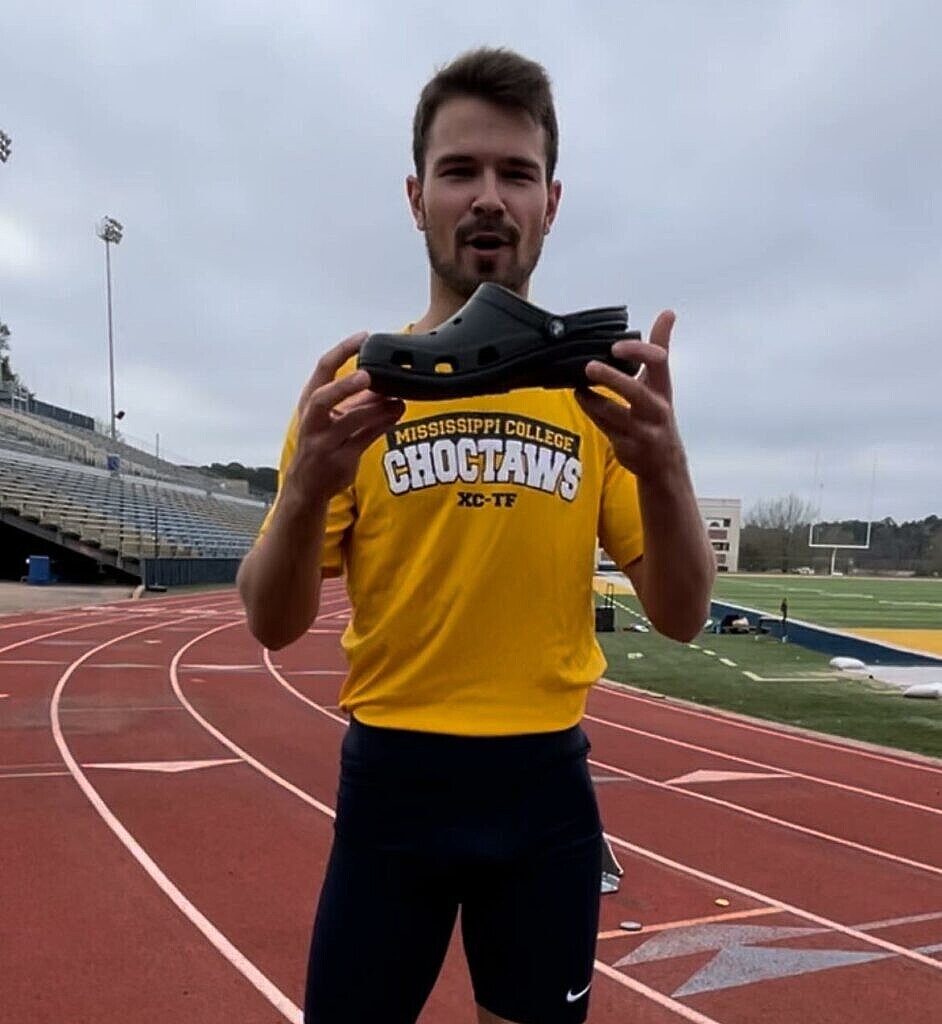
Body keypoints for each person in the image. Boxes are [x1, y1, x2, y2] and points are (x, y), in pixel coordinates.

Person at [238, 47, 715, 1024]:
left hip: (543, 791)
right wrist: (307, 489)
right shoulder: (357, 393)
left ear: (551, 201)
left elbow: (681, 613)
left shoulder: (595, 395)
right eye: (460, 170)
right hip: (394, 788)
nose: (489, 197)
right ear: (417, 198)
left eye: (516, 173)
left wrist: (667, 470)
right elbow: (272, 622)